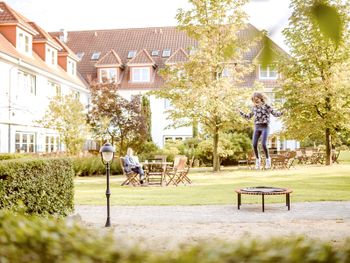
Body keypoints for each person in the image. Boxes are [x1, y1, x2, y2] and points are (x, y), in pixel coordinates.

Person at [237, 92, 283, 169]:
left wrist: (282, 112)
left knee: (263, 144)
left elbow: (275, 114)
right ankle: (258, 160)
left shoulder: (267, 106)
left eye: (257, 99)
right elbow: (248, 116)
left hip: (265, 127)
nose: (256, 101)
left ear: (260, 98)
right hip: (257, 127)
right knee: (254, 144)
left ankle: (268, 160)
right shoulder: (254, 107)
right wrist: (240, 112)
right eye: (254, 100)